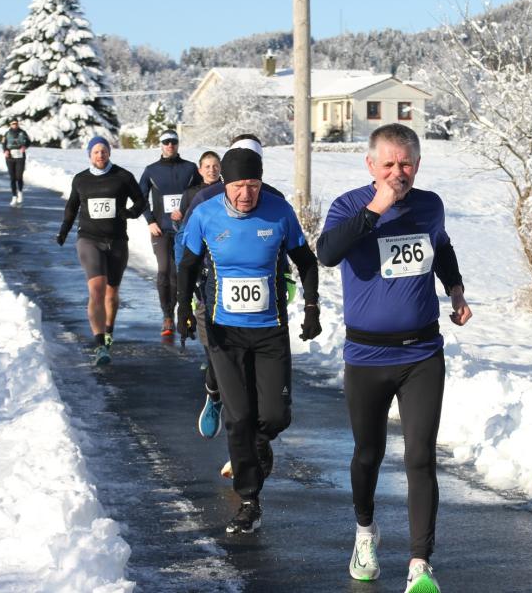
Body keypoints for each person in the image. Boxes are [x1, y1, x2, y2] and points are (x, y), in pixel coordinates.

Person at [316, 123, 471, 593]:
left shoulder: (429, 205)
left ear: (418, 165)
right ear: (371, 165)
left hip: (422, 352)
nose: (397, 173)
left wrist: (455, 287)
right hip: (366, 356)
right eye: (388, 164)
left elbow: (440, 246)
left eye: (406, 164)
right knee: (368, 453)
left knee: (420, 458)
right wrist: (375, 209)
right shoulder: (348, 205)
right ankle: (365, 531)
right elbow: (327, 253)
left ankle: (420, 564)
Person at [175, 147, 322, 534]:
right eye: (239, 186)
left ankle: (256, 444)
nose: (246, 194)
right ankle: (249, 500)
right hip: (225, 333)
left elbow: (305, 261)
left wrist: (311, 308)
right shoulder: (205, 214)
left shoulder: (278, 212)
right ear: (225, 183)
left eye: (253, 185)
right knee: (239, 417)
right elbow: (188, 265)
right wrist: (183, 310)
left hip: (271, 329)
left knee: (274, 416)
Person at [56, 136, 146, 365]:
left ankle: (108, 331)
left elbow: (140, 201)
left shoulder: (123, 176)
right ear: (89, 155)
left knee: (111, 292)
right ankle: (99, 345)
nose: (100, 155)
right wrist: (63, 231)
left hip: (116, 241)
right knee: (96, 289)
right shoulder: (81, 180)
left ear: (109, 154)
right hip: (89, 239)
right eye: (96, 152)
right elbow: (71, 208)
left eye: (104, 151)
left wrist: (130, 213)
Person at [175, 150, 227, 439]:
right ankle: (214, 390)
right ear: (200, 168)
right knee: (215, 348)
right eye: (207, 166)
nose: (211, 170)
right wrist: (186, 274)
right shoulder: (197, 197)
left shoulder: (260, 196)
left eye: (215, 166)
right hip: (207, 281)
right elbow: (184, 239)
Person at [139, 129, 198, 338]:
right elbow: (140, 197)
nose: (170, 145)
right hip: (160, 230)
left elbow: (200, 194)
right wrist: (150, 221)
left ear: (178, 144)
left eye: (173, 142)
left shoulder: (190, 169)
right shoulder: (151, 170)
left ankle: (180, 312)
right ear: (161, 145)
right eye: (166, 142)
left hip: (184, 229)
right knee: (164, 270)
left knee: (177, 273)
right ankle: (167, 315)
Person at [2, 118, 31, 206]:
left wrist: (25, 147)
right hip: (10, 157)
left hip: (20, 157)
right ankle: (14, 196)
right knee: (12, 178)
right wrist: (5, 151)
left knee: (19, 176)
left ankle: (20, 192)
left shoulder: (23, 132)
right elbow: (3, 144)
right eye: (13, 124)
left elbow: (29, 141)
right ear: (10, 125)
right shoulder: (7, 133)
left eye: (16, 123)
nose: (15, 125)